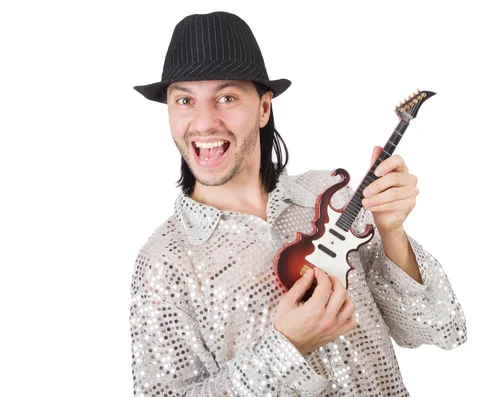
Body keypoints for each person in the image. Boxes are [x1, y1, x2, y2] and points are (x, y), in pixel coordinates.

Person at [129, 11, 467, 397]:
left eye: (227, 97)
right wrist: (285, 349)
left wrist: (392, 233)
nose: (204, 122)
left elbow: (442, 329)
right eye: (185, 100)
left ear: (263, 108)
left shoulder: (332, 199)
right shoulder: (163, 261)